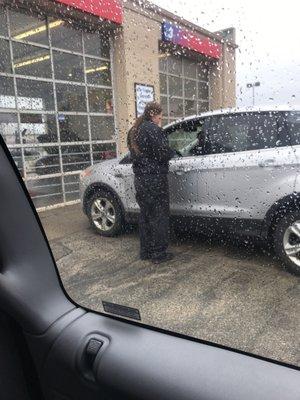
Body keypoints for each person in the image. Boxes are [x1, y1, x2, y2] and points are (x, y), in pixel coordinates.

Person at [127, 102, 176, 264]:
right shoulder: (154, 130)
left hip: (140, 179)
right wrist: (172, 152)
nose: (160, 119)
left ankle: (146, 251)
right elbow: (163, 153)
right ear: (153, 114)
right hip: (155, 179)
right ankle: (158, 253)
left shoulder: (133, 131)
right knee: (159, 216)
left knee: (146, 215)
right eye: (160, 116)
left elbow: (137, 154)